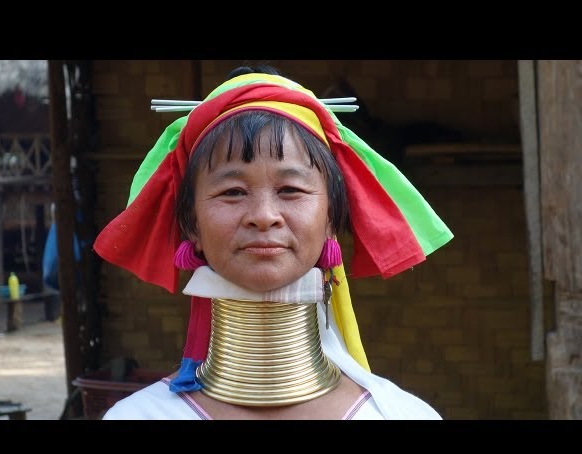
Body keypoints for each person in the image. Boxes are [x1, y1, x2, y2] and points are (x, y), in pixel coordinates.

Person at [93, 65, 454, 420]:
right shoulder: (138, 416)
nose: (264, 215)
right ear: (191, 224)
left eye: (290, 190)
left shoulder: (401, 415)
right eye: (233, 191)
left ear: (332, 218)